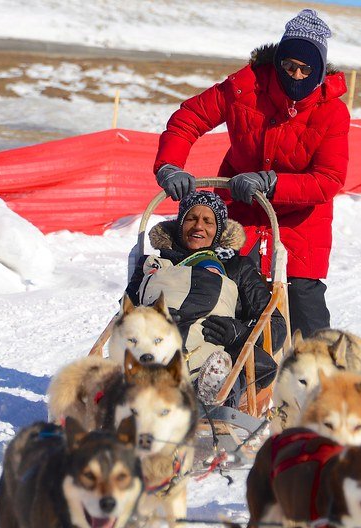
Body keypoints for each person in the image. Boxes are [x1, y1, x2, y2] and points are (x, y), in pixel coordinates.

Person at [153, 8, 349, 338]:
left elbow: (329, 179)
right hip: (240, 216)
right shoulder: (244, 89)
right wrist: (169, 165)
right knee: (227, 300)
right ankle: (221, 372)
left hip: (299, 225)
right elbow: (188, 119)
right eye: (289, 66)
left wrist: (271, 183)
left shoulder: (332, 112)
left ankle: (321, 384)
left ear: (318, 71)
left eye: (305, 69)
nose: (296, 76)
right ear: (277, 63)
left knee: (306, 316)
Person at [125, 191, 285, 405]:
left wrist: (240, 334)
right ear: (180, 224)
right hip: (156, 345)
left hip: (216, 351)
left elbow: (275, 325)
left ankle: (214, 390)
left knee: (228, 365)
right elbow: (125, 313)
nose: (199, 226)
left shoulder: (237, 268)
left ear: (218, 230)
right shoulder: (155, 264)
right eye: (191, 218)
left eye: (208, 221)